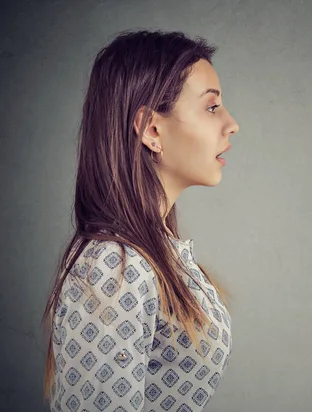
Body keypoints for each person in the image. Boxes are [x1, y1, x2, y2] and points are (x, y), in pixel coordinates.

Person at [40, 29, 240, 411]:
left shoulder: (154, 254)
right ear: (151, 129)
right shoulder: (112, 264)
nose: (232, 124)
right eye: (212, 107)